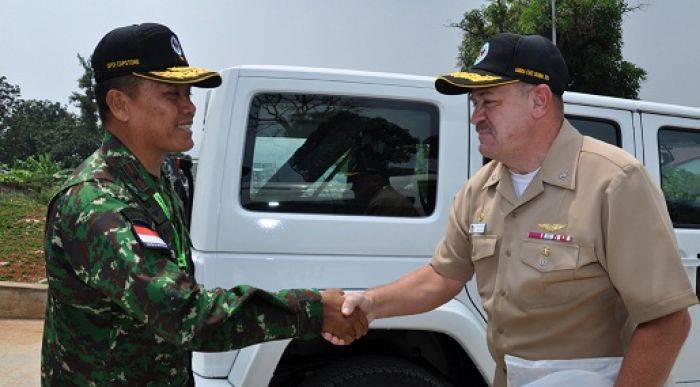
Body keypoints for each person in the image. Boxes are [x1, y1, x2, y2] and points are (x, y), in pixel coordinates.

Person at [325, 33, 698, 386]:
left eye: (489, 102)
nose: (476, 117)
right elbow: (443, 276)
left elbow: (666, 320)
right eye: (474, 104)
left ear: (539, 101)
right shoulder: (479, 189)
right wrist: (371, 304)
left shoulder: (614, 182)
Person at [41, 23, 367, 386]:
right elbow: (184, 315)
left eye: (189, 94)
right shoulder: (97, 205)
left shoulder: (155, 183)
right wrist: (312, 309)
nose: (190, 108)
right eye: (172, 95)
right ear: (120, 104)